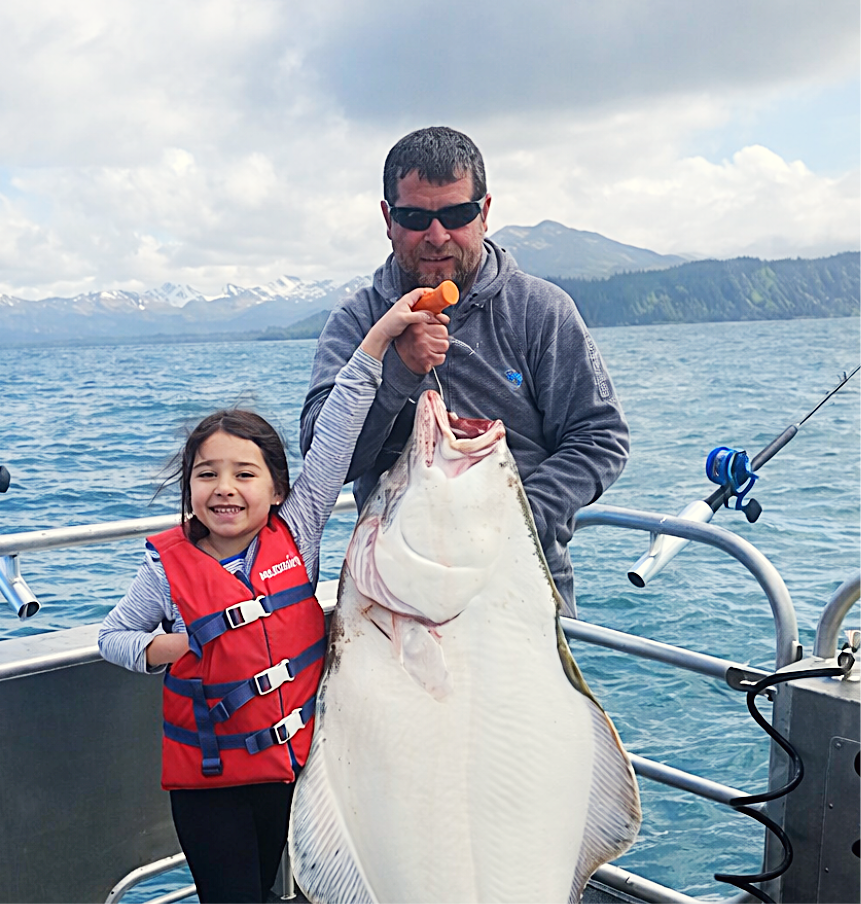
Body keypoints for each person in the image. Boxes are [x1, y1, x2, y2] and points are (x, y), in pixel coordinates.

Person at [97, 289, 443, 904]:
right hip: (211, 791)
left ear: (278, 489)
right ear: (190, 488)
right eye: (207, 474)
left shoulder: (299, 529)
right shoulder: (165, 571)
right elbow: (112, 638)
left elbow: (338, 427)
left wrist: (380, 337)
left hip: (298, 773)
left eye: (244, 474)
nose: (224, 489)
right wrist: (168, 647)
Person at [300, 126, 630, 617]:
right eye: (415, 217)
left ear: (485, 212)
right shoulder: (357, 322)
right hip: (391, 598)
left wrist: (513, 519)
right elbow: (322, 461)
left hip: (521, 589)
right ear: (388, 219)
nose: (437, 236)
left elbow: (599, 437)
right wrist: (396, 374)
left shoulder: (540, 311)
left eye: (456, 214)